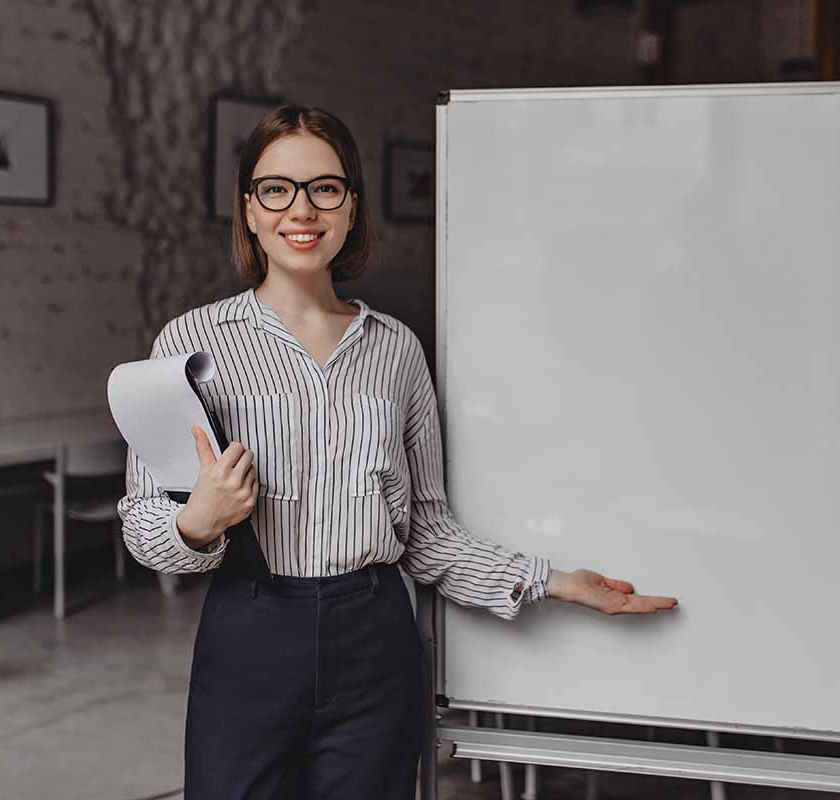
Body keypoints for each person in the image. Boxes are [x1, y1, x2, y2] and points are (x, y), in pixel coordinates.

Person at [117, 104, 679, 800]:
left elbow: (427, 533)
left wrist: (555, 581)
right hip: (249, 636)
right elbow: (143, 519)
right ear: (250, 211)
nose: (302, 209)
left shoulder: (396, 351)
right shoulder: (189, 344)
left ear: (351, 208)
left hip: (375, 642)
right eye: (276, 189)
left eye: (326, 188)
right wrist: (196, 521)